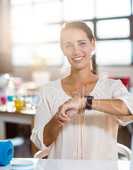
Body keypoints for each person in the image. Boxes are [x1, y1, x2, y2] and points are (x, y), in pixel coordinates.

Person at [31, 21, 133, 160]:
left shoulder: (112, 86)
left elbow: (129, 108)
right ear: (62, 49)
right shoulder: (48, 91)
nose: (76, 51)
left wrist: (86, 103)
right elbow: (42, 141)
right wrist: (57, 119)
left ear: (93, 44)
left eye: (82, 43)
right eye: (69, 45)